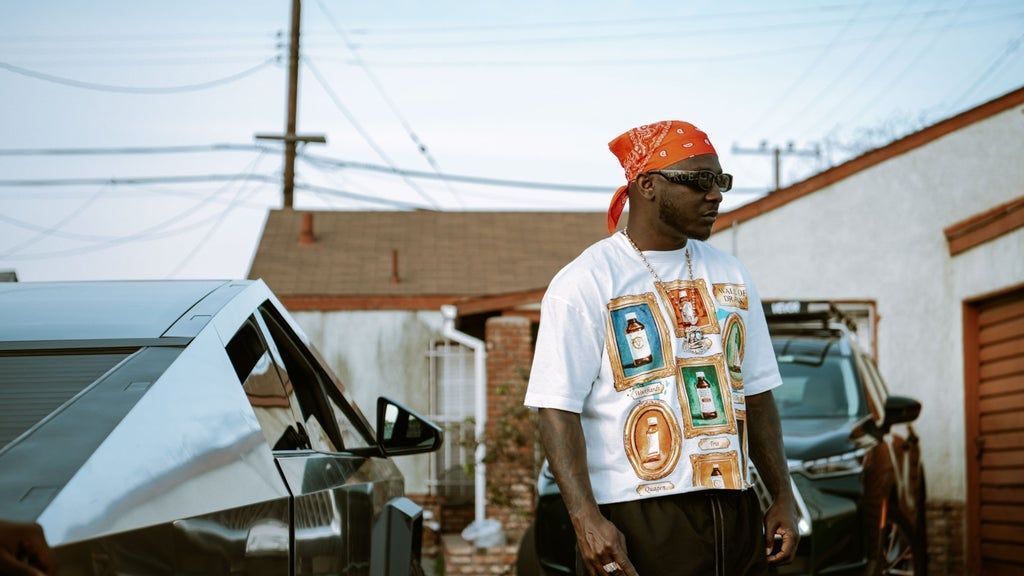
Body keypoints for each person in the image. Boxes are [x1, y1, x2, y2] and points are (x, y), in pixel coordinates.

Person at [523, 120, 799, 576]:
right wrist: (586, 520)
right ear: (647, 185)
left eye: (721, 181)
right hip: (636, 518)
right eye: (699, 181)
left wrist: (782, 495)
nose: (715, 195)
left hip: (736, 509)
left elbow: (756, 394)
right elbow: (556, 409)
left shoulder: (730, 274)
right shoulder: (586, 281)